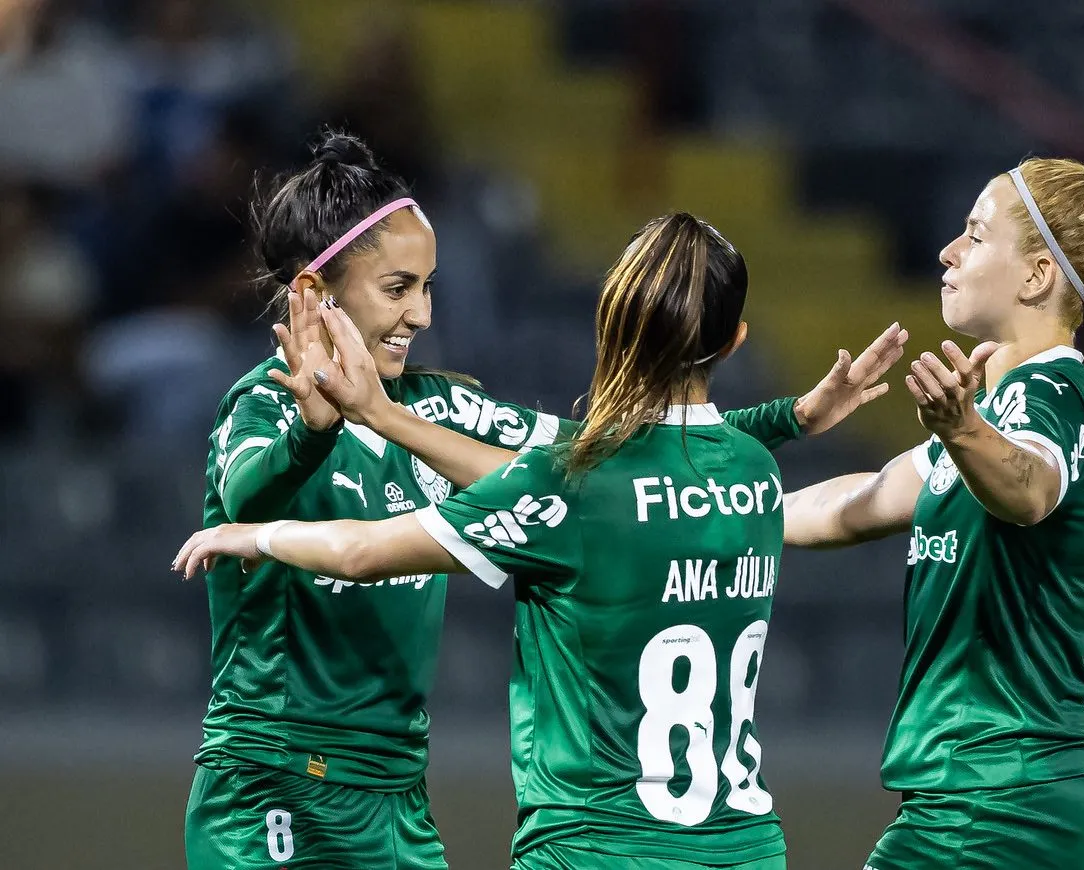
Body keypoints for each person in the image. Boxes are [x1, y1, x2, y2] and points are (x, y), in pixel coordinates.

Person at [185, 126, 905, 870]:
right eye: (398, 288)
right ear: (313, 289)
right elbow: (247, 497)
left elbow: (610, 454)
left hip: (395, 795)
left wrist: (789, 418)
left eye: (429, 286)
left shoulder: (442, 407)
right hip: (275, 782)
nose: (423, 314)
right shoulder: (261, 409)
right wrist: (312, 431)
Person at [782, 153, 1084, 870]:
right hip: (1033, 800)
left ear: (1037, 275)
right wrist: (713, 509)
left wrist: (962, 429)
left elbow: (1031, 490)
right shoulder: (995, 412)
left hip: (997, 805)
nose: (948, 251)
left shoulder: (1058, 394)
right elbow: (856, 504)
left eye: (975, 235)